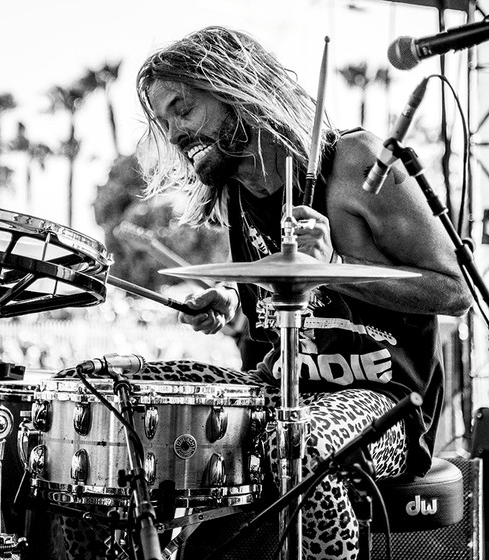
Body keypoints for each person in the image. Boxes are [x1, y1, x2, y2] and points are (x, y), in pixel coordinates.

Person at [127, 25, 472, 560]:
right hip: (282, 393)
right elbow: (281, 300)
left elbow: (453, 291)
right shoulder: (236, 194)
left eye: (183, 108)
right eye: (164, 118)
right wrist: (230, 299)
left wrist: (332, 267)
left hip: (384, 407)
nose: (173, 130)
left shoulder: (357, 163)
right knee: (119, 399)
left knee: (301, 444)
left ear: (234, 89)